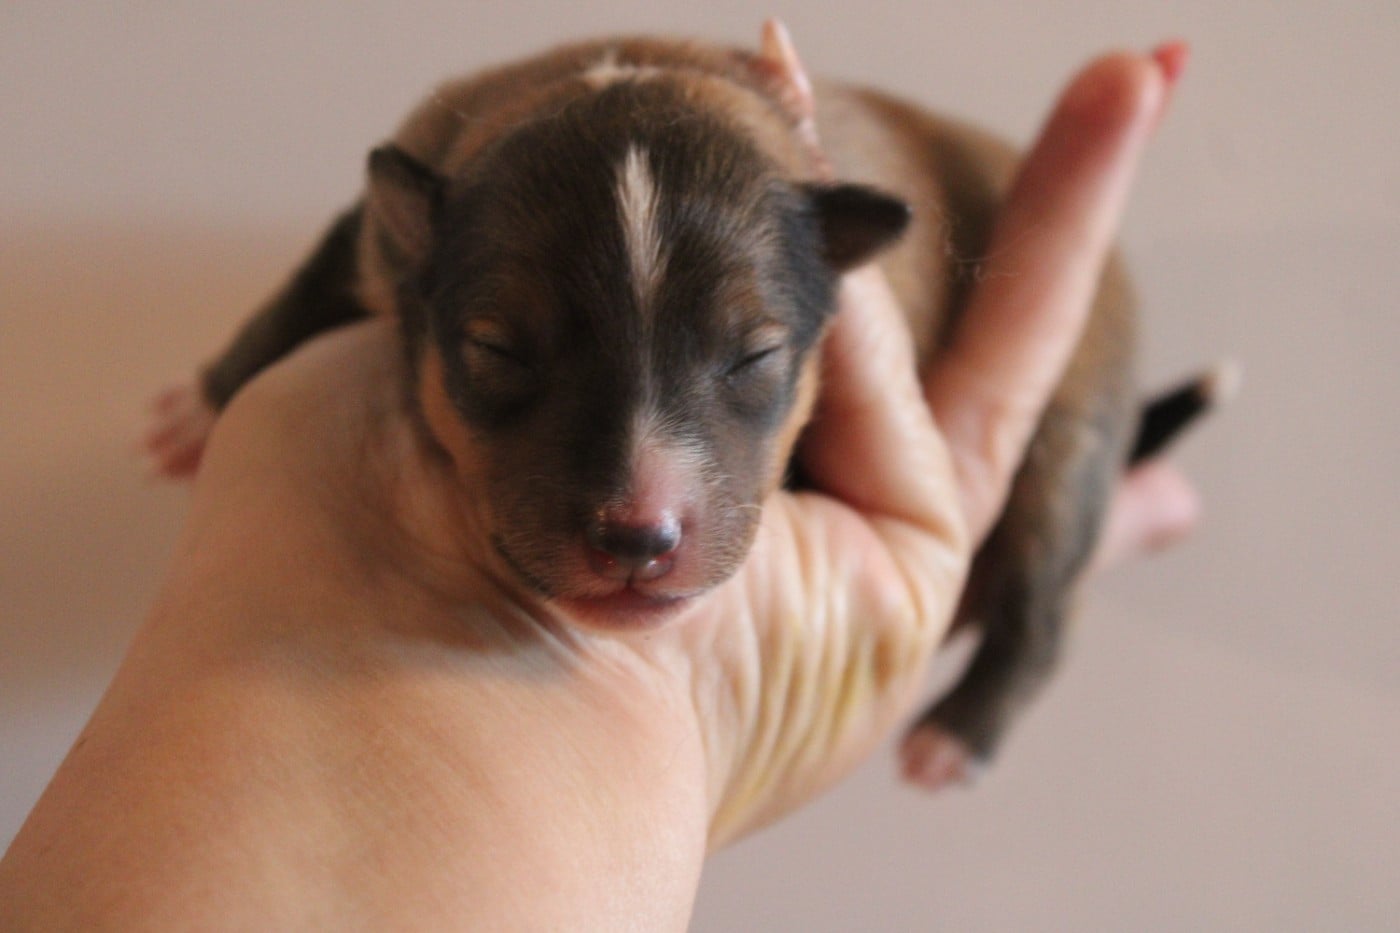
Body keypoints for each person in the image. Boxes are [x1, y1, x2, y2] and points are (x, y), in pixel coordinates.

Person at [0, 46, 1192, 930]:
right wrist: (238, 372)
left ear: (837, 265)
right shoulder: (439, 153)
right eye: (506, 356)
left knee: (1060, 487)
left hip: (982, 236)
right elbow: (346, 242)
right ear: (421, 248)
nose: (640, 506)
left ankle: (1013, 668)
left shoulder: (831, 231)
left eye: (750, 360)